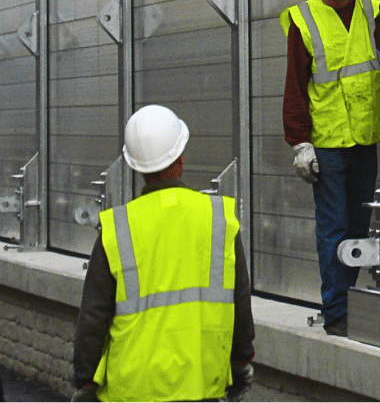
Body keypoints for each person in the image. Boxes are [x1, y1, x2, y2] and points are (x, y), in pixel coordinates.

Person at [72, 105, 255, 403]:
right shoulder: (217, 218)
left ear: (137, 167)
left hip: (132, 390)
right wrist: (241, 362)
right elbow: (239, 301)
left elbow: (93, 317)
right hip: (202, 384)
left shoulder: (118, 228)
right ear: (180, 157)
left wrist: (85, 382)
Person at [280, 0, 380, 336]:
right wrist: (300, 143)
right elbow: (295, 84)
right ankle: (337, 312)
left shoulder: (370, 9)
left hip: (364, 138)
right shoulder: (304, 18)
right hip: (327, 144)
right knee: (332, 226)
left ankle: (349, 303)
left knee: (357, 226)